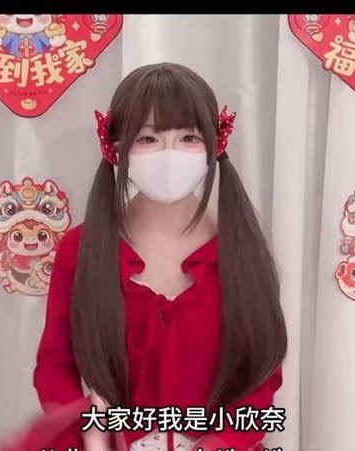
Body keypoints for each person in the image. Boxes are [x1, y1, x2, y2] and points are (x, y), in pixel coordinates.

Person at [33, 62, 287, 451]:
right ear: (115, 146)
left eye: (189, 137)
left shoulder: (241, 250)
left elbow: (261, 377)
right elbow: (55, 368)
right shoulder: (81, 250)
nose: (170, 154)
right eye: (149, 138)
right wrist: (90, 434)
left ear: (215, 145)